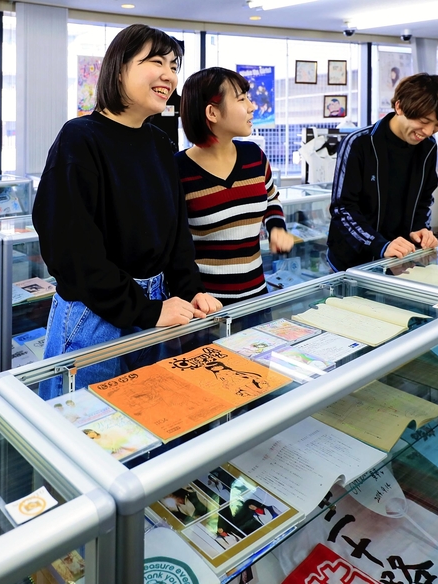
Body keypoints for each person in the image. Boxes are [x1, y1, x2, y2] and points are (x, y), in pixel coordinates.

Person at [32, 24, 221, 400]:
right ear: (119, 69)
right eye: (156, 62)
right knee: (81, 424)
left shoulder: (160, 143)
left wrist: (191, 290)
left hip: (156, 305)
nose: (169, 75)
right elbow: (70, 250)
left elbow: (175, 233)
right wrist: (146, 311)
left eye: (173, 66)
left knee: (143, 420)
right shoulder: (79, 138)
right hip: (94, 314)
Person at [176, 67, 293, 305]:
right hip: (206, 306)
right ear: (212, 112)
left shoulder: (254, 156)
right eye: (241, 99)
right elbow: (174, 246)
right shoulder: (177, 170)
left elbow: (271, 198)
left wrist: (277, 228)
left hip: (257, 299)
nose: (252, 106)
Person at [326, 72, 438, 272]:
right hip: (352, 263)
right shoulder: (359, 144)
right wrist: (379, 245)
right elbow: (343, 209)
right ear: (399, 107)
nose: (428, 131)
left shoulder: (428, 147)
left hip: (400, 260)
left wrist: (421, 229)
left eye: (437, 125)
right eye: (424, 121)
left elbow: (423, 200)